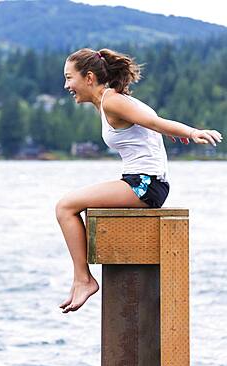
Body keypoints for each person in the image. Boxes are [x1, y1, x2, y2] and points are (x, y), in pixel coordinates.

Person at [56, 48, 222, 313]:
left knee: (65, 207)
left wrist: (191, 133)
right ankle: (82, 277)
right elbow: (148, 130)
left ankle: (83, 279)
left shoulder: (112, 101)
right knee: (69, 205)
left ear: (89, 78)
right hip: (143, 181)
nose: (66, 85)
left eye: (69, 78)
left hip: (144, 184)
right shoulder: (111, 102)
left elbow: (155, 123)